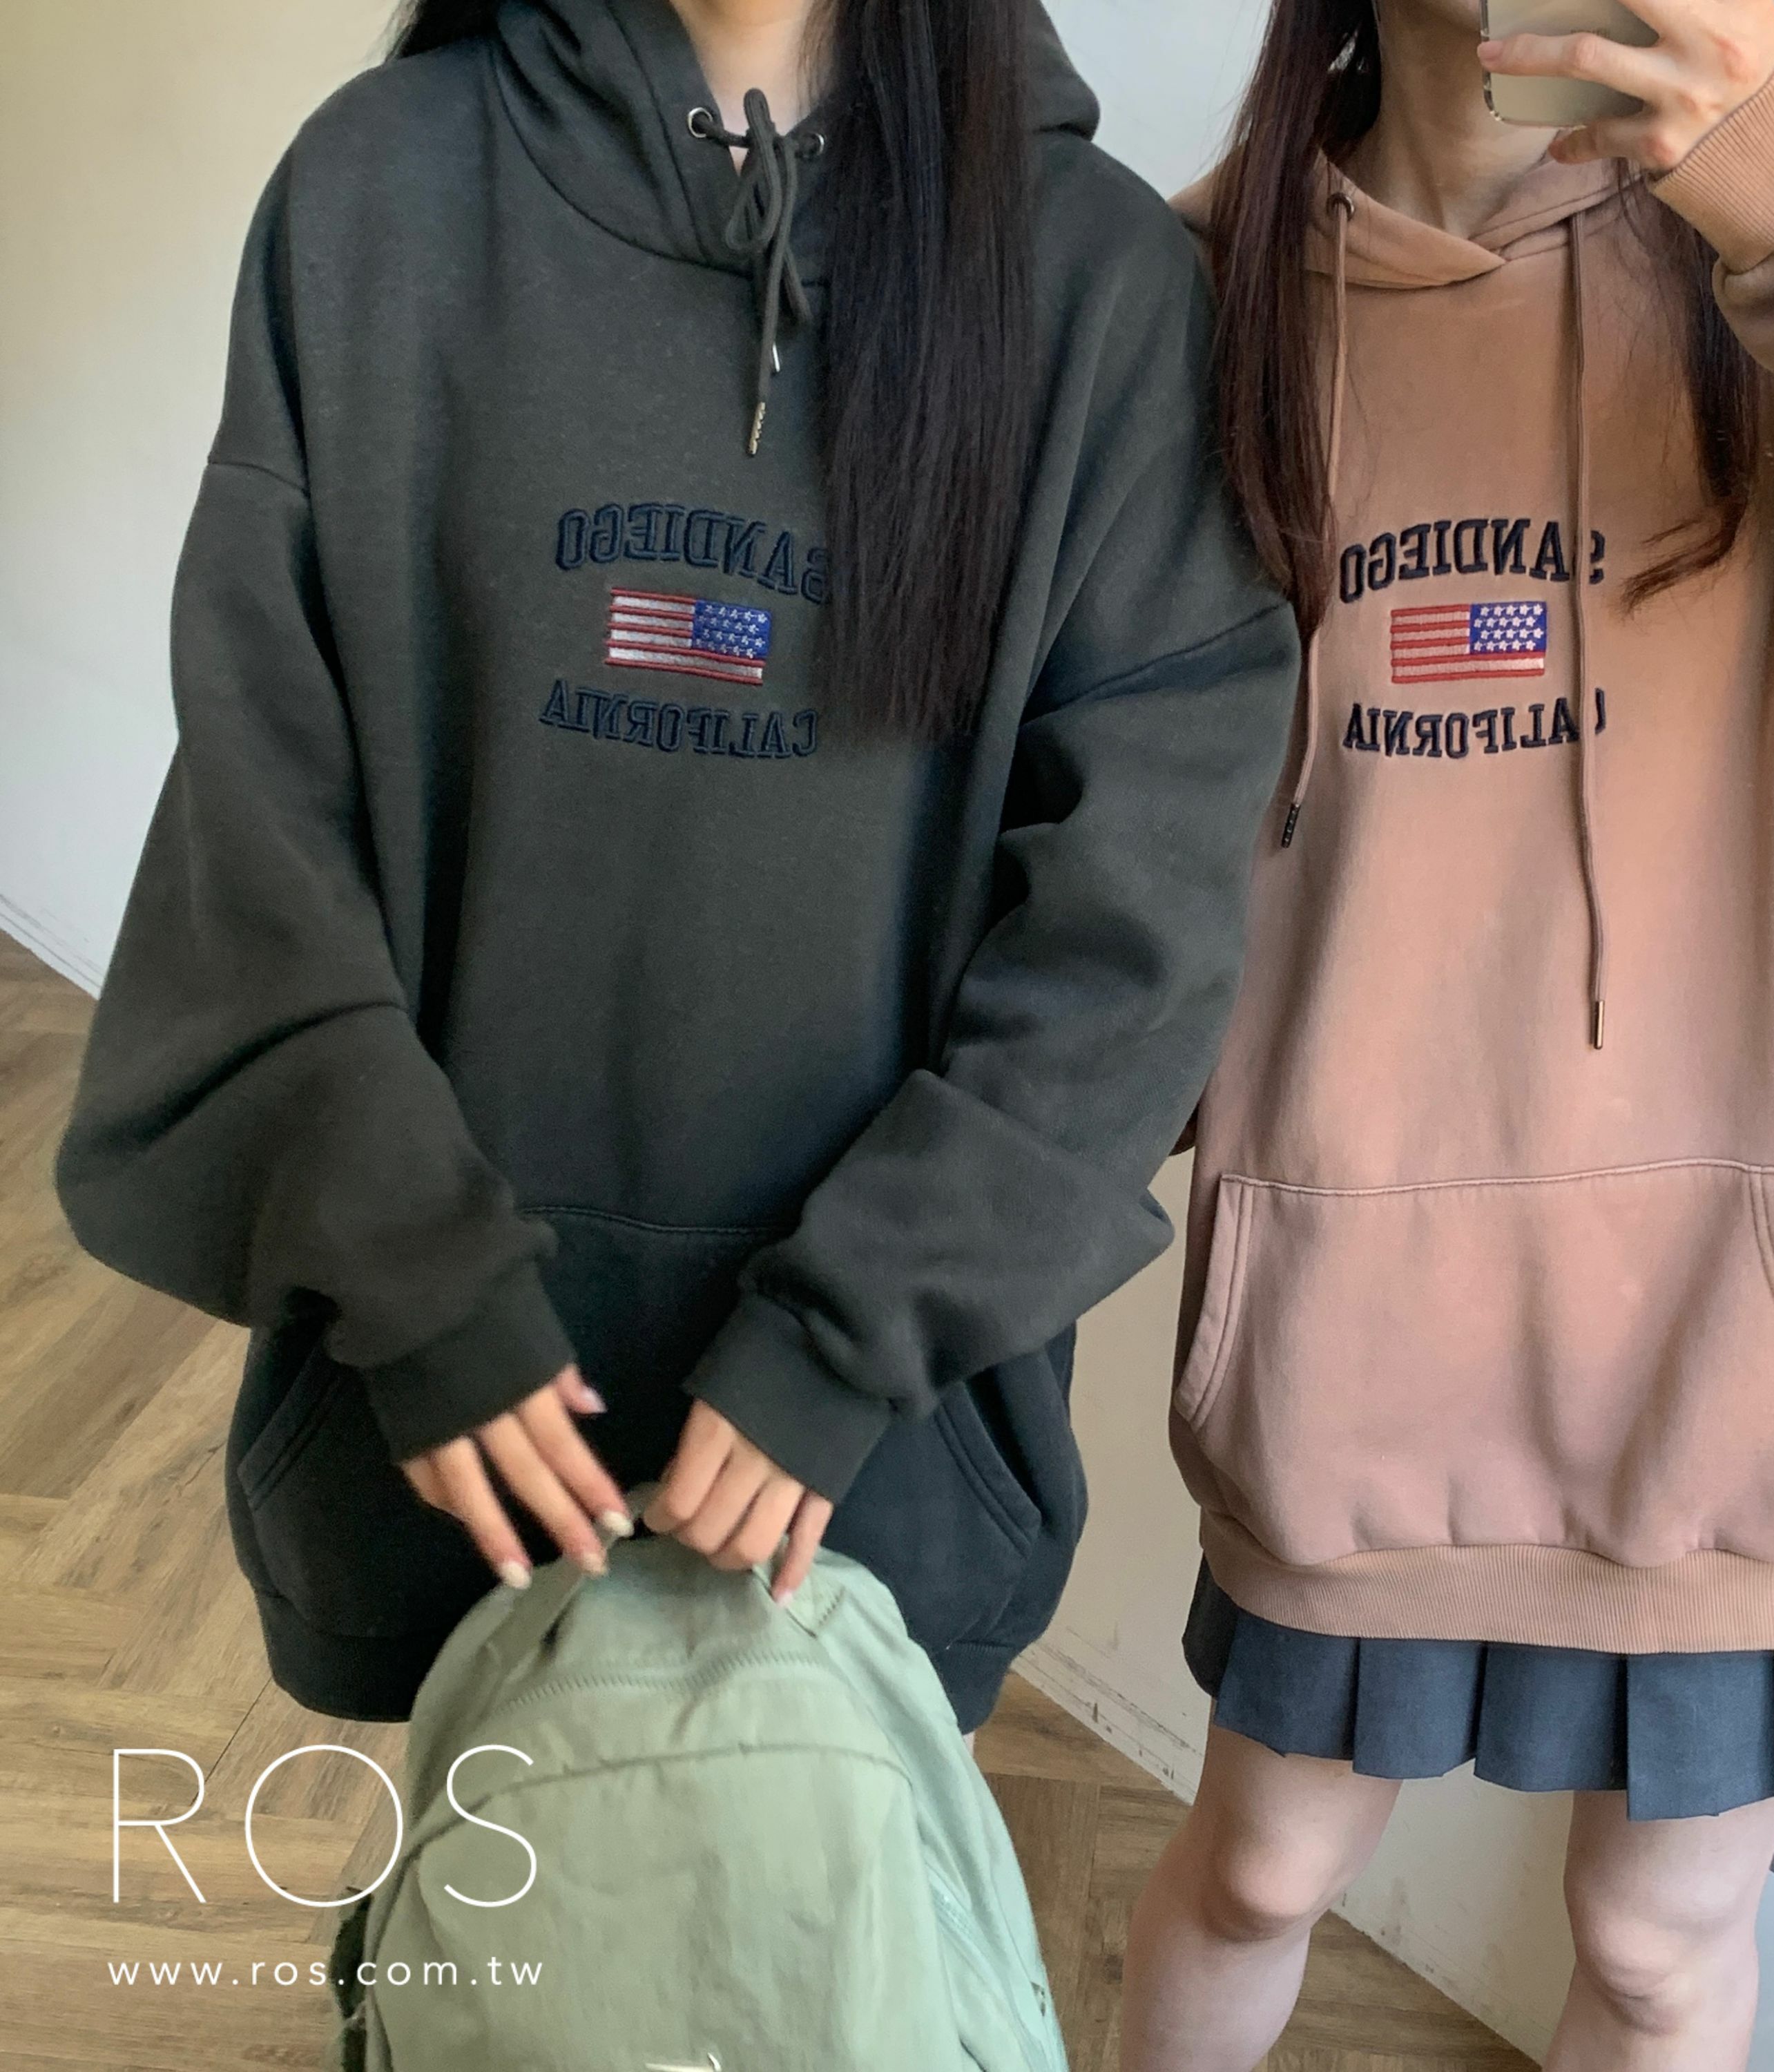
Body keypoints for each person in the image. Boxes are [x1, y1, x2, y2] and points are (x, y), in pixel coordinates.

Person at [54, 0, 1298, 1738]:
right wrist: (420, 1288)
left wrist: (853, 1335)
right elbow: (260, 827)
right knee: (479, 1907)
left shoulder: (1098, 285)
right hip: (434, 1426)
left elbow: (1135, 929)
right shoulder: (378, 192)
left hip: (874, 1470)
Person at [1124, 2, 1774, 2066]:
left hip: (1765, 1393)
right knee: (1260, 1868)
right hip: (1344, 1363)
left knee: (1657, 1947)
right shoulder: (1183, 295)